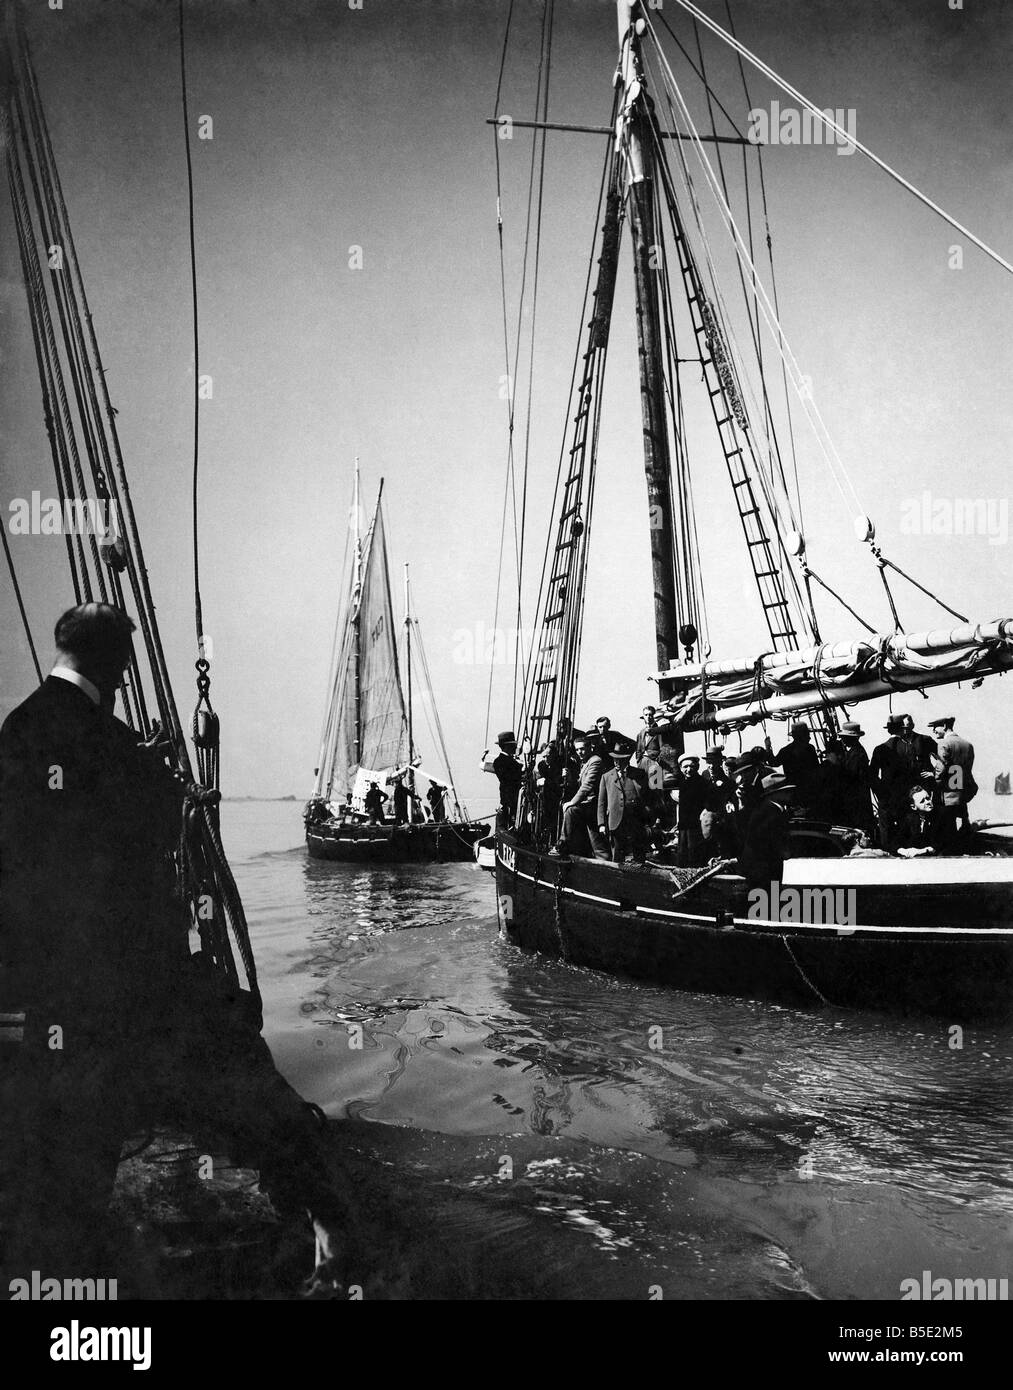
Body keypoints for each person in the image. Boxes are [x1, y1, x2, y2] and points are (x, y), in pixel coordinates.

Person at [0, 603, 354, 1292]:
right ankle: (332, 1235)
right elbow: (136, 841)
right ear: (120, 662)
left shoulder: (18, 729)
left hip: (49, 983)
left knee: (69, 1157)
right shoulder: (107, 741)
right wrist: (162, 775)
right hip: (130, 976)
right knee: (243, 1092)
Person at [597, 735, 655, 863]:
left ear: (627, 759)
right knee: (617, 854)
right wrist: (601, 824)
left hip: (635, 820)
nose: (617, 763)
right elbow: (601, 803)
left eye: (621, 760)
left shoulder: (639, 774)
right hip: (615, 821)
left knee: (638, 853)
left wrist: (649, 817)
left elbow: (647, 797)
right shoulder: (606, 777)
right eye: (615, 760)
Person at [553, 732, 608, 859]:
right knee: (596, 843)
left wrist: (572, 802)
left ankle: (562, 843)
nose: (579, 752)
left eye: (582, 749)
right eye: (577, 749)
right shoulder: (585, 762)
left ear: (590, 747)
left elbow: (587, 786)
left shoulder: (595, 761)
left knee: (571, 810)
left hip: (593, 805)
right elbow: (580, 783)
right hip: (587, 805)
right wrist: (570, 778)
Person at [737, 772, 796, 889]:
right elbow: (761, 841)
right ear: (774, 794)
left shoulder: (773, 809)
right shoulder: (767, 811)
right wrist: (783, 851)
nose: (790, 794)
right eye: (785, 791)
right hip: (762, 868)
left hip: (767, 866)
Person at [870, 714, 918, 850]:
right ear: (902, 729)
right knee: (905, 831)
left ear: (888, 730)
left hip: (886, 798)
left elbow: (871, 775)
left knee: (886, 832)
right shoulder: (909, 748)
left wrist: (881, 793)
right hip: (904, 797)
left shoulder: (879, 749)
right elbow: (914, 773)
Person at [929, 716, 977, 845]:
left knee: (945, 829)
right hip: (962, 794)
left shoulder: (944, 743)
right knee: (959, 826)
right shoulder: (968, 744)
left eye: (935, 727)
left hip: (946, 795)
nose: (933, 731)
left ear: (944, 726)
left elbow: (941, 768)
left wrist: (934, 781)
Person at [671, 752, 715, 868]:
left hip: (697, 830)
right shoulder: (682, 784)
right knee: (682, 859)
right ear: (681, 768)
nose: (689, 769)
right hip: (683, 828)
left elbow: (708, 807)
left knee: (695, 859)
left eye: (692, 766)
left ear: (697, 767)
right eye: (685, 767)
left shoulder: (704, 784)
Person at [837, 721, 874, 833]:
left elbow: (850, 776)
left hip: (856, 799)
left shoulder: (858, 754)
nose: (842, 740)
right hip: (853, 798)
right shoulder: (850, 751)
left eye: (844, 737)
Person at [774, 722, 820, 811]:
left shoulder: (785, 751)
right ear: (800, 736)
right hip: (810, 791)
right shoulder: (810, 749)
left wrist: (768, 749)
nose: (809, 737)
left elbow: (774, 763)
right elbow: (816, 770)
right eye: (807, 734)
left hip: (794, 792)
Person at [701, 746, 737, 855]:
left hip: (719, 815)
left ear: (720, 763)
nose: (711, 766)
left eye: (714, 763)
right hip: (703, 812)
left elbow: (728, 800)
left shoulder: (726, 780)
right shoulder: (704, 775)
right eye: (708, 763)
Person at [895, 784, 947, 856]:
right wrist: (903, 851)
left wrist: (921, 851)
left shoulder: (941, 815)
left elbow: (942, 844)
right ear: (913, 807)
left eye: (928, 798)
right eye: (922, 801)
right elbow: (897, 841)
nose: (927, 802)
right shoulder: (910, 819)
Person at [485, 730, 523, 828]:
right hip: (509, 801)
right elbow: (508, 779)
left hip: (514, 800)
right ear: (506, 747)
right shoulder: (500, 762)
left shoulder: (509, 761)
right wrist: (521, 770)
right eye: (513, 745)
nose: (515, 747)